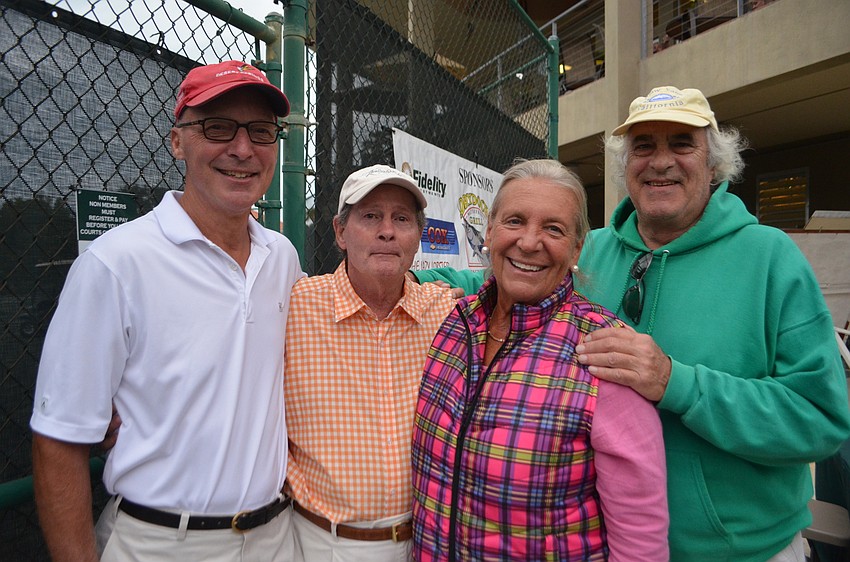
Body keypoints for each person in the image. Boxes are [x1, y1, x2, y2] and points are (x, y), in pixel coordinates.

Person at [414, 86, 850, 562]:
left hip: (741, 551)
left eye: (681, 143)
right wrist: (394, 274)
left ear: (714, 162)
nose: (660, 161)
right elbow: (493, 275)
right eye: (644, 146)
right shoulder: (589, 251)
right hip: (614, 545)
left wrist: (676, 382)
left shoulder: (770, 259)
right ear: (626, 165)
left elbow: (821, 420)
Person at [30, 60, 304, 562]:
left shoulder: (282, 257)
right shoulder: (115, 264)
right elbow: (59, 439)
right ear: (178, 141)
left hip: (276, 538)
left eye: (261, 131)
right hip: (160, 544)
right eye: (218, 127)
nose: (242, 149)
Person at [411, 159, 669, 561]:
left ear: (577, 248)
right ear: (490, 230)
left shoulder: (604, 349)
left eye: (553, 229)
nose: (530, 242)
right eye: (514, 221)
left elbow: (640, 532)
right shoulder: (453, 326)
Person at [283, 164, 456, 561]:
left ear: (418, 236)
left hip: (425, 542)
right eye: (370, 216)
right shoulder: (295, 308)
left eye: (402, 218)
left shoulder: (446, 313)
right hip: (320, 542)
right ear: (341, 232)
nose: (387, 231)